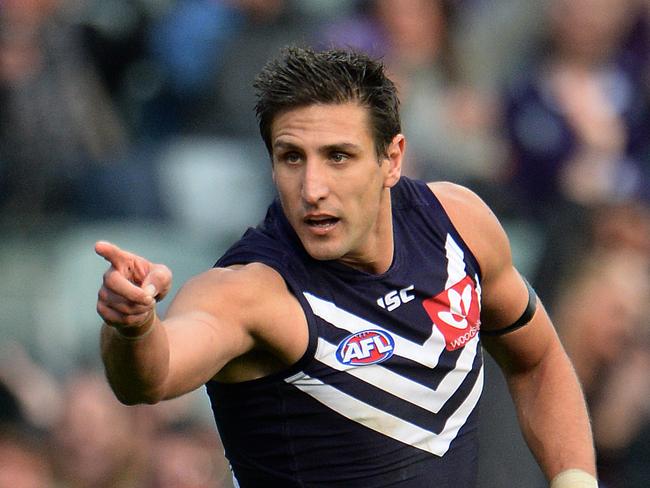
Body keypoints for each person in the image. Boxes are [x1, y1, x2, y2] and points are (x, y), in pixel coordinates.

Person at [96, 46, 596, 487]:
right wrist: (134, 326)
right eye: (292, 157)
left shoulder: (457, 226)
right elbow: (150, 379)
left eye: (338, 156)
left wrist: (574, 480)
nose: (312, 188)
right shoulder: (251, 293)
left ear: (392, 159)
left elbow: (538, 362)